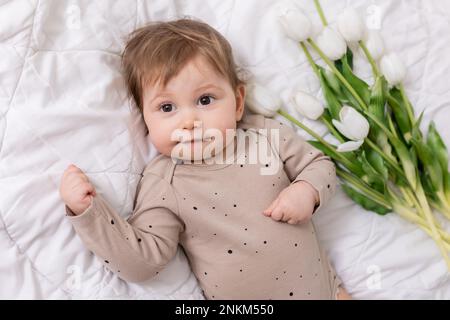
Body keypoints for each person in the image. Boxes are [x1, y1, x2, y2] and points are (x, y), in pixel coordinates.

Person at [59, 18, 350, 300]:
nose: (189, 121)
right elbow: (143, 261)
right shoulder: (165, 180)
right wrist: (89, 212)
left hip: (326, 290)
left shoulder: (264, 135)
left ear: (237, 103)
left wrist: (307, 191)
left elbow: (320, 165)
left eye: (205, 100)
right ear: (145, 119)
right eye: (167, 107)